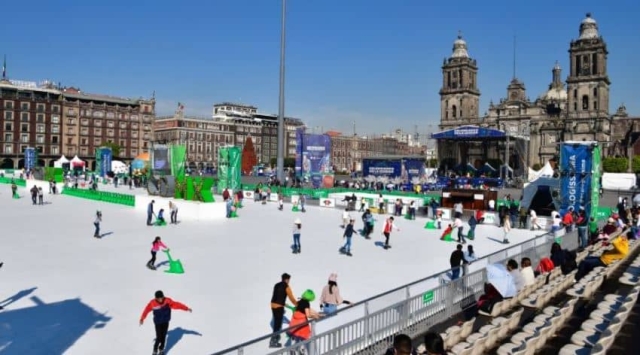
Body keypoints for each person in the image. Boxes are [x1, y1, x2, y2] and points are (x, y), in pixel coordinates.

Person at [139, 290, 192, 355]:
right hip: (158, 322)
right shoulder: (152, 303)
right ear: (156, 298)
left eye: (161, 298)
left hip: (165, 321)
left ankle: (161, 349)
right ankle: (155, 350)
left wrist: (186, 308)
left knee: (163, 336)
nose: (161, 300)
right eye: (159, 298)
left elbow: (176, 304)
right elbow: (146, 310)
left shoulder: (167, 301)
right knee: (159, 337)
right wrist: (142, 318)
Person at [270, 273, 298, 348]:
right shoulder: (286, 286)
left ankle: (275, 339)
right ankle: (273, 341)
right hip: (279, 307)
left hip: (273, 305)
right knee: (278, 324)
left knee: (276, 323)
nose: (289, 281)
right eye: (289, 280)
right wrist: (297, 304)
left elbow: (276, 296)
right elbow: (291, 298)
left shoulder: (276, 285)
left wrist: (284, 304)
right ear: (287, 279)